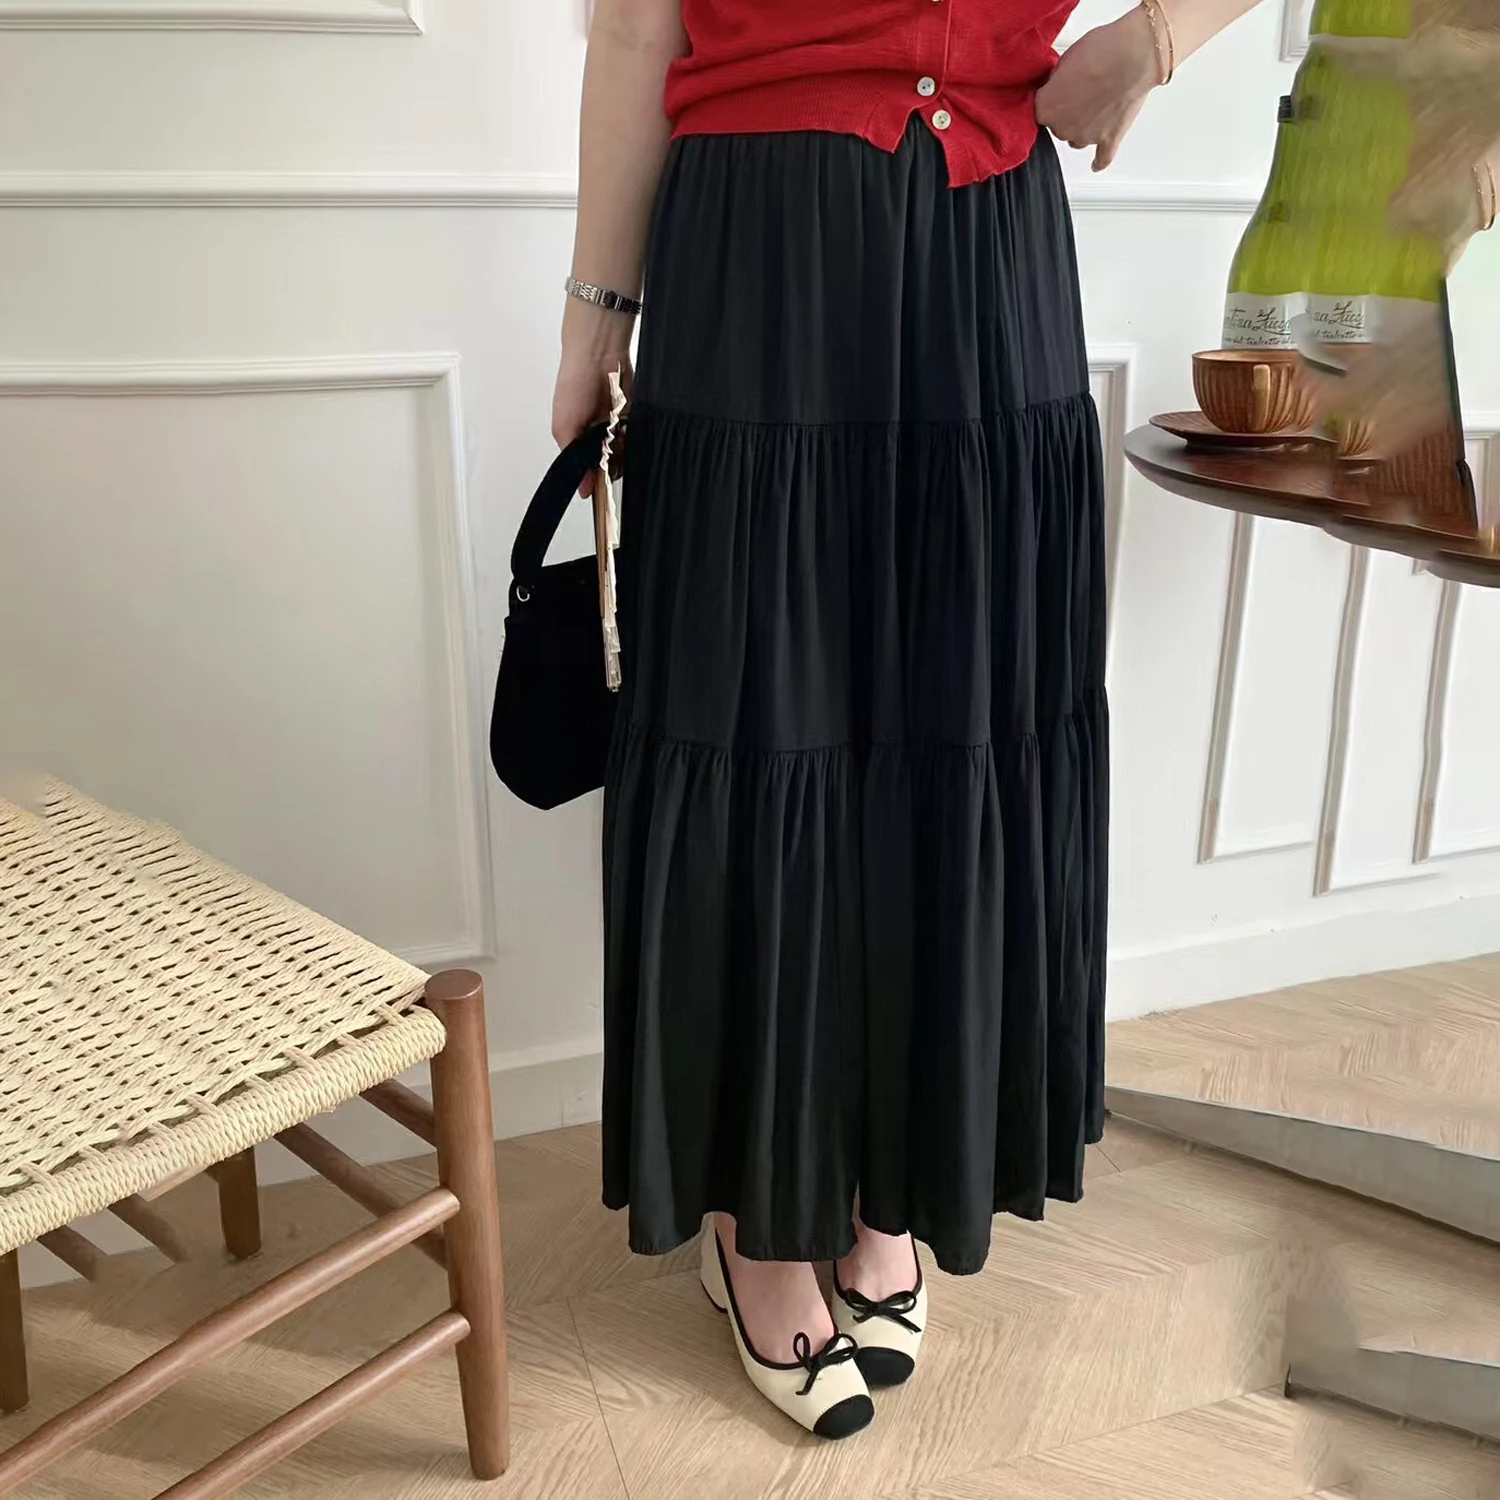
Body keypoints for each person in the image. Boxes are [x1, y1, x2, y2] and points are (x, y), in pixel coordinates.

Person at [553, 0, 1265, 1440]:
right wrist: (595, 320)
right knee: (763, 722)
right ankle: (758, 1217)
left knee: (957, 723)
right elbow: (634, 26)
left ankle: (891, 1184)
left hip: (987, 243)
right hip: (761, 253)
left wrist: (1157, 39)